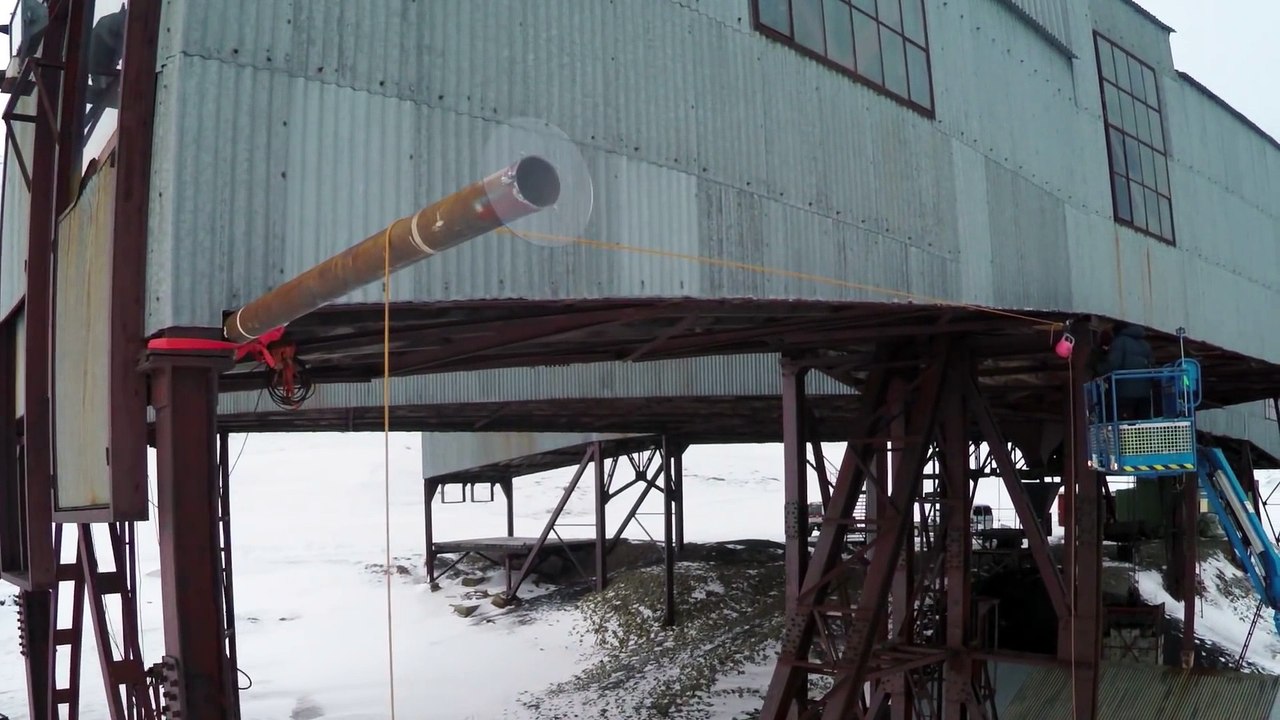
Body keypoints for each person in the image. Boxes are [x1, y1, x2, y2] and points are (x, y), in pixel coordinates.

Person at [1095, 322, 1155, 420]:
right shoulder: (1146, 345)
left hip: (1124, 393)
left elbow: (1113, 364)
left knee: (1123, 425)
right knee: (1143, 426)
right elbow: (1152, 365)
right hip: (1144, 393)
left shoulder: (1119, 342)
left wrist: (1099, 369)